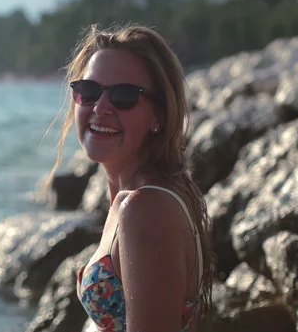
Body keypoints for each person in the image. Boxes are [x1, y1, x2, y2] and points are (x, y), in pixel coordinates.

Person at [44, 24, 214, 332]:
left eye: (124, 96)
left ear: (158, 116)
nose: (100, 107)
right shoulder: (141, 194)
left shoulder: (146, 208)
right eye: (88, 91)